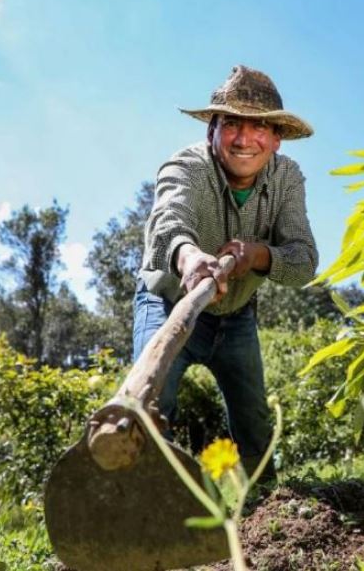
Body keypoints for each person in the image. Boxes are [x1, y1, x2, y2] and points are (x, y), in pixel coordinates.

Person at [134, 65, 318, 478]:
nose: (243, 139)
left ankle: (266, 515)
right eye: (232, 124)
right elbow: (167, 225)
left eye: (259, 128)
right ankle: (145, 510)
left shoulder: (287, 180)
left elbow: (303, 261)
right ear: (212, 130)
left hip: (235, 316)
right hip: (169, 304)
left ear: (276, 139)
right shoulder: (185, 168)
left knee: (254, 425)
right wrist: (189, 258)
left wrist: (255, 256)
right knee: (148, 406)